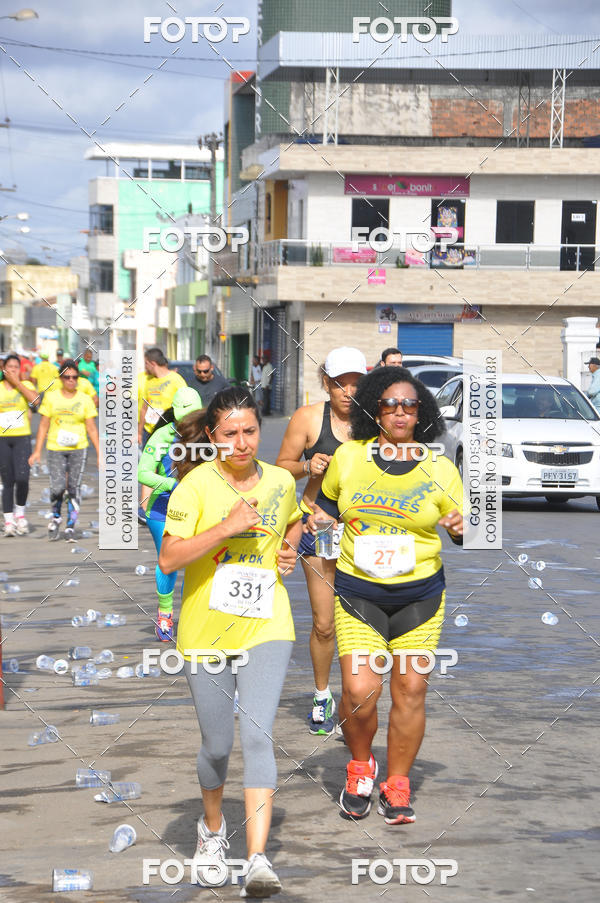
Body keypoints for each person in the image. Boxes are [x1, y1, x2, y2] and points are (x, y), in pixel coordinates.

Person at [159, 387, 302, 896]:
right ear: (212, 436)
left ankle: (257, 859)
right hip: (206, 631)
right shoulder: (195, 487)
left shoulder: (281, 480)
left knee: (258, 734)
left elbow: (294, 520)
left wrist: (289, 550)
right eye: (230, 434)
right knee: (217, 745)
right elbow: (169, 558)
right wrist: (226, 527)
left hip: (268, 624)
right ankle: (213, 829)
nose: (242, 443)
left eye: (250, 431)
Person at [308, 366, 463, 825]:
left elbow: (466, 530)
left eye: (409, 405)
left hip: (420, 597)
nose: (400, 412)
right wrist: (319, 522)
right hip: (360, 593)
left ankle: (397, 783)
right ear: (374, 410)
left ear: (421, 413)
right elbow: (325, 507)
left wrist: (460, 527)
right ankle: (360, 767)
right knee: (360, 691)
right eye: (390, 404)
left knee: (411, 689)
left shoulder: (440, 467)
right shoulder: (350, 458)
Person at [276, 347, 367, 734]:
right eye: (340, 383)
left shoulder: (376, 420)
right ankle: (321, 695)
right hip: (322, 529)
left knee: (361, 623)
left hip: (365, 531)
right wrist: (306, 466)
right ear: (326, 383)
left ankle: (355, 699)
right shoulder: (309, 418)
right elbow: (280, 469)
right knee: (325, 623)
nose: (348, 392)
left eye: (356, 383)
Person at [137, 387, 203, 641]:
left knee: (197, 562)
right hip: (162, 508)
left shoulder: (207, 434)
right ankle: (165, 615)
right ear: (175, 412)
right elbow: (142, 473)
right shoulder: (162, 435)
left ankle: (190, 615)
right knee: (169, 561)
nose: (189, 421)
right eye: (185, 416)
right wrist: (172, 485)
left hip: (196, 508)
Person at [29, 359, 100, 541]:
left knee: (74, 487)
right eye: (67, 377)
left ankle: (70, 525)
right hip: (56, 448)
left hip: (79, 448)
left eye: (74, 377)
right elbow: (43, 425)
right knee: (58, 487)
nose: (71, 380)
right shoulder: (51, 397)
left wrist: (100, 454)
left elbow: (92, 428)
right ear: (61, 378)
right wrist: (37, 451)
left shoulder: (84, 399)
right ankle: (56, 518)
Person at [0, 354, 38, 536]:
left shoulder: (26, 385)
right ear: (4, 369)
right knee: (7, 480)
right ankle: (8, 520)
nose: (13, 370)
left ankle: (20, 515)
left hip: (22, 438)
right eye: (10, 367)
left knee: (23, 478)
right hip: (3, 439)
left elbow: (36, 401)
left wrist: (18, 383)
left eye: (16, 367)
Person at [138, 348, 187, 449]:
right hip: (148, 432)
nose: (145, 367)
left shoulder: (176, 380)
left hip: (168, 432)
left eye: (146, 363)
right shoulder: (149, 380)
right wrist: (139, 432)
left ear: (153, 363)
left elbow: (186, 407)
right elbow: (144, 408)